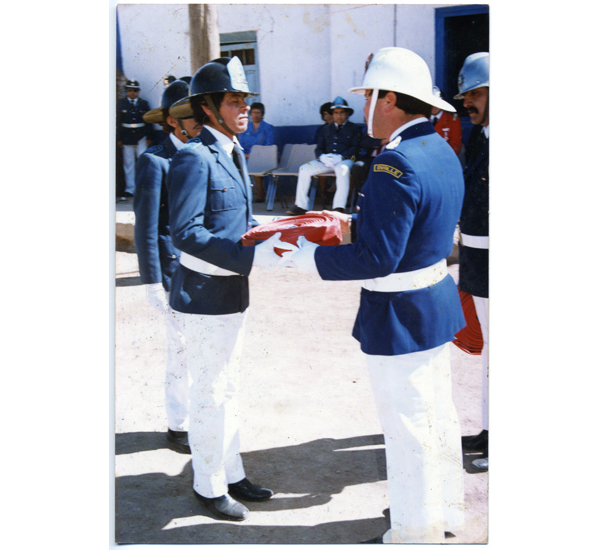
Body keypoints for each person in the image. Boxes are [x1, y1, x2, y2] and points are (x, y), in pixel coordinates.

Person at [282, 47, 466, 544]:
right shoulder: (439, 148)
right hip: (432, 301)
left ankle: (413, 532)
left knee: (407, 430)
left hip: (400, 312)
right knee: (437, 417)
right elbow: (417, 223)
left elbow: (378, 258)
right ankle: (444, 513)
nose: (364, 107)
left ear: (389, 99)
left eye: (368, 97)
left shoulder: (395, 162)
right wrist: (357, 223)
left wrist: (310, 261)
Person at [166, 56, 286, 522]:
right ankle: (208, 485)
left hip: (232, 294)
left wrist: (273, 233)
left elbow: (236, 221)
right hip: (204, 296)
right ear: (209, 108)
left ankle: (231, 473)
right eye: (234, 99)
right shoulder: (195, 156)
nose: (242, 107)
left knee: (228, 388)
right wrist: (248, 257)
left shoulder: (234, 151)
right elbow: (186, 232)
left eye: (244, 99)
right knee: (211, 392)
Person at [133, 80, 202, 454]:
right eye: (192, 116)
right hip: (174, 272)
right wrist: (151, 282)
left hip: (204, 269)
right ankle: (179, 423)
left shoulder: (202, 154)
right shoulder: (155, 160)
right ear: (173, 122)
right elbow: (146, 226)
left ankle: (199, 416)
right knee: (180, 349)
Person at [454, 52, 490, 473]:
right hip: (478, 256)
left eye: (476, 94)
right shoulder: (480, 136)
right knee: (490, 355)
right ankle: (489, 430)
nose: (468, 103)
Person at [287, 96, 362, 215]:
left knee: (341, 169)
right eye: (336, 113)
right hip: (327, 160)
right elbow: (319, 147)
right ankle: (301, 205)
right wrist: (322, 157)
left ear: (347, 114)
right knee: (304, 169)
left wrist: (342, 157)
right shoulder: (326, 129)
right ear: (332, 115)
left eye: (342, 112)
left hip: (346, 159)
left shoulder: (354, 128)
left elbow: (355, 148)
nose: (339, 115)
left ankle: (338, 207)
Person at [117, 80, 154, 201]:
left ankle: (143, 187)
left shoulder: (144, 104)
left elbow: (148, 121)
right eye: (130, 90)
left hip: (141, 137)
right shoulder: (120, 104)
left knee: (143, 161)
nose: (132, 93)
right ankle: (130, 189)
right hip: (127, 137)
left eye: (135, 90)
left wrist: (149, 137)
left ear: (138, 91)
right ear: (127, 91)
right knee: (128, 164)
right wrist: (118, 138)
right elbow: (118, 122)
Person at [238, 102, 275, 202]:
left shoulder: (268, 128)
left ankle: (260, 191)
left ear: (262, 114)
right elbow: (240, 145)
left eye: (258, 113)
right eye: (253, 113)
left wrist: (253, 155)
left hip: (262, 157)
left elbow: (268, 146)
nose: (255, 115)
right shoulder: (245, 128)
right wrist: (244, 154)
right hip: (245, 157)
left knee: (254, 163)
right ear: (250, 114)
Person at [431, 86, 462, 156]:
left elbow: (455, 146)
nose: (434, 106)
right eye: (431, 102)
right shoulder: (423, 119)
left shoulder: (453, 119)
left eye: (437, 102)